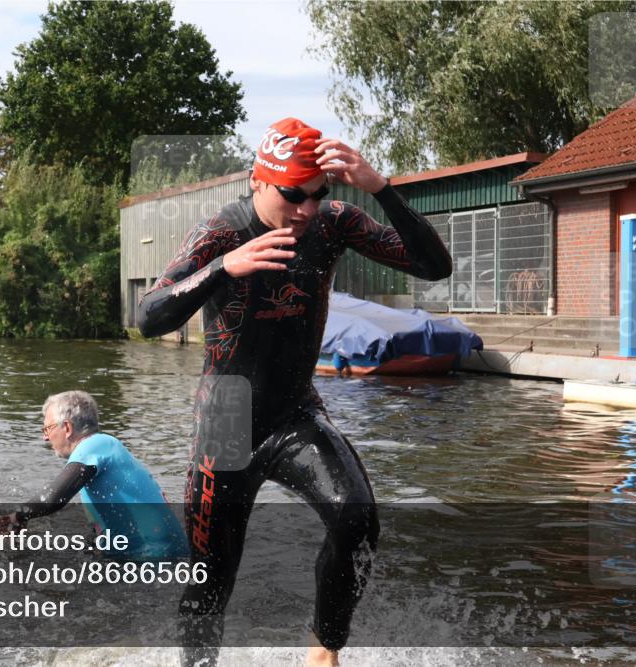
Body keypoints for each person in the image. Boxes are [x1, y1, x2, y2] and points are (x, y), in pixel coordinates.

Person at [138, 117, 452, 667]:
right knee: (212, 579)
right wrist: (222, 269)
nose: (306, 209)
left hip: (295, 411)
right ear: (261, 181)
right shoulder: (222, 233)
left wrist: (380, 189)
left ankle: (323, 652)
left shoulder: (333, 224)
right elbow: (147, 317)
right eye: (293, 196)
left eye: (317, 194)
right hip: (226, 422)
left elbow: (434, 266)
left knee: (357, 519)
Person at [0, 391, 188, 560]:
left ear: (67, 427)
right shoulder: (106, 447)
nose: (45, 437)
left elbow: (52, 498)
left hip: (152, 558)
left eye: (47, 429)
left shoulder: (94, 445)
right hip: (155, 554)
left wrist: (18, 516)